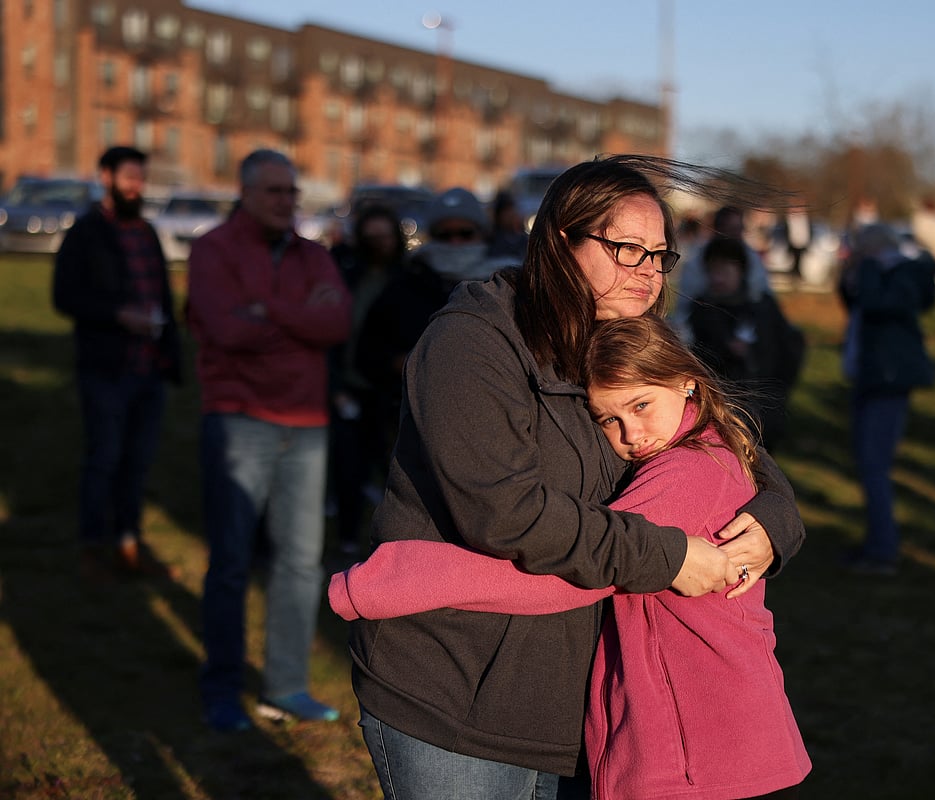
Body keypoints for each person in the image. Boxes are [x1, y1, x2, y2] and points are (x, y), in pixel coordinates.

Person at [347, 155, 806, 799]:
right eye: (625, 249)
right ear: (561, 241)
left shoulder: (625, 338)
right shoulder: (472, 344)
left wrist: (775, 523)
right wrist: (670, 556)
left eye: (659, 254)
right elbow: (506, 516)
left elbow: (721, 437)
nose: (647, 271)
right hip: (457, 694)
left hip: (579, 708)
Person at [186, 149, 351, 731]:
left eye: (292, 192)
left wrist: (271, 313)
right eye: (275, 191)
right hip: (239, 418)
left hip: (306, 424)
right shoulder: (212, 251)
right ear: (246, 191)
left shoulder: (313, 255)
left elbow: (336, 324)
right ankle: (223, 689)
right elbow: (227, 330)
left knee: (301, 563)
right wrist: (299, 319)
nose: (287, 202)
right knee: (231, 561)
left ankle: (285, 686)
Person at [52, 145, 182, 581]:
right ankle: (92, 547)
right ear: (106, 177)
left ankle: (128, 541)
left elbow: (162, 294)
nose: (136, 186)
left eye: (141, 178)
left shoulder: (145, 231)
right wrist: (116, 314)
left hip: (149, 368)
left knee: (138, 462)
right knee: (103, 459)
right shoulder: (86, 233)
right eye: (129, 177)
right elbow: (64, 297)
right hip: (106, 368)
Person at [837, 224, 935, 574]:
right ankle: (877, 541)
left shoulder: (902, 272)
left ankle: (883, 550)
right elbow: (855, 303)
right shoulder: (880, 272)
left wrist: (865, 269)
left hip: (888, 379)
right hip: (872, 375)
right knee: (868, 463)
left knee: (874, 464)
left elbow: (879, 305)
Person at [326, 204, 404, 556]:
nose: (378, 244)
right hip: (350, 385)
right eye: (370, 237)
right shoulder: (347, 275)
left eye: (384, 237)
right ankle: (346, 537)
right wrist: (336, 386)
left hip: (388, 390)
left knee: (391, 472)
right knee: (347, 468)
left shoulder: (406, 280)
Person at [687, 235, 806, 451]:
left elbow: (789, 348)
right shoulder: (702, 310)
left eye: (724, 271)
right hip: (722, 413)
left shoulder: (762, 307)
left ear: (740, 271)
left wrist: (778, 393)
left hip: (764, 411)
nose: (717, 279)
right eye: (713, 271)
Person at [671, 205, 773, 336]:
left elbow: (761, 292)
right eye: (730, 229)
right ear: (717, 229)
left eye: (738, 228)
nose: (735, 234)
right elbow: (686, 303)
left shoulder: (751, 257)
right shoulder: (699, 259)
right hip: (708, 323)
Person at [486, 189, 530, 263]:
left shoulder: (523, 239)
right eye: (506, 212)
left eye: (511, 210)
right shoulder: (492, 240)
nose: (510, 215)